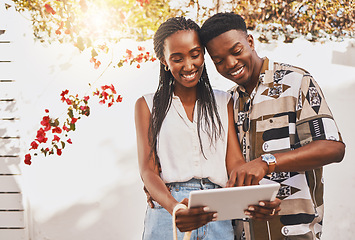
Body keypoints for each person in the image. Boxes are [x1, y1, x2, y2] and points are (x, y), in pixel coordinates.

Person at [199, 12, 346, 240]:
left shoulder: (297, 81)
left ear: (250, 41)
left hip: (295, 233)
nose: (230, 64)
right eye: (218, 61)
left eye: (236, 51)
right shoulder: (227, 102)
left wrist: (268, 162)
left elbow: (333, 147)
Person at [135, 16, 280, 240]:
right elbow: (148, 170)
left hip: (217, 211)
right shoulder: (147, 105)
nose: (189, 65)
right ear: (164, 60)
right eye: (177, 58)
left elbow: (235, 165)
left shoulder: (224, 101)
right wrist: (175, 208)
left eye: (195, 54)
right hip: (168, 210)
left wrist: (258, 197)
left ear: (203, 53)